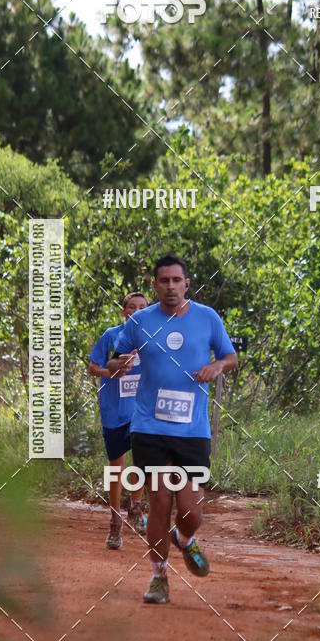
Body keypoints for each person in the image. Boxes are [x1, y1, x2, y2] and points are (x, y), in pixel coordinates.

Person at [108, 255, 238, 604]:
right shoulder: (139, 321)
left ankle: (184, 538)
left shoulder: (207, 318)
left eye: (176, 280)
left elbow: (231, 358)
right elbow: (113, 359)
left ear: (186, 284)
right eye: (163, 281)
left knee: (191, 511)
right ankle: (158, 577)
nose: (170, 287)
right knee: (160, 500)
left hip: (193, 429)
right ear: (155, 286)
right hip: (149, 426)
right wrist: (119, 364)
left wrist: (216, 366)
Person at [88, 292, 148, 549]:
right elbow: (93, 367)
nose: (136, 311)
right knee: (116, 468)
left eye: (142, 308)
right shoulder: (111, 336)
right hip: (115, 412)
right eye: (131, 308)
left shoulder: (152, 339)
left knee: (143, 461)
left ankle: (135, 508)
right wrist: (111, 373)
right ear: (124, 312)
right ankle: (115, 522)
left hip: (143, 412)